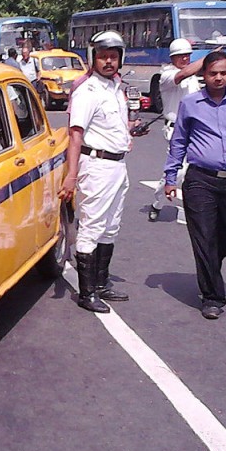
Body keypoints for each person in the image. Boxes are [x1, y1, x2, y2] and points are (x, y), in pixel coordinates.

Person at [163, 51, 226, 320]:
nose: (218, 78)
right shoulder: (191, 104)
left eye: (223, 73)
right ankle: (212, 296)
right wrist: (170, 177)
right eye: (213, 73)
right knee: (204, 236)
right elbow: (179, 142)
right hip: (200, 180)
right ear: (203, 75)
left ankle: (210, 266)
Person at [58, 31, 143, 312]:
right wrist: (71, 176)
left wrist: (131, 130)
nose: (109, 61)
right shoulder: (88, 91)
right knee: (92, 228)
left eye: (113, 56)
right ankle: (87, 292)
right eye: (103, 56)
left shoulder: (115, 88)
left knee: (111, 226)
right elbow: (75, 135)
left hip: (117, 165)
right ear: (93, 58)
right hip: (96, 167)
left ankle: (102, 282)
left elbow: (110, 127)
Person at [148, 39, 205, 222]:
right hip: (175, 130)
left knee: (197, 170)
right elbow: (183, 74)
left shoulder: (194, 78)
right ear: (172, 57)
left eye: (187, 55)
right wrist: (209, 57)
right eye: (180, 56)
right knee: (178, 171)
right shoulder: (166, 75)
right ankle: (157, 202)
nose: (185, 58)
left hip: (196, 129)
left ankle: (196, 208)